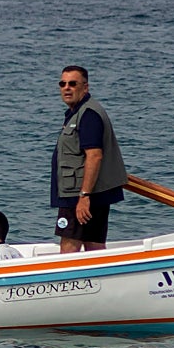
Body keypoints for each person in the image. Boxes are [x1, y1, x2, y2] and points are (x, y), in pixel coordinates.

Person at [51, 65, 127, 253]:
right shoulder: (79, 112)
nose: (66, 88)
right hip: (93, 192)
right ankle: (102, 280)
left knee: (69, 245)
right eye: (63, 84)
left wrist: (84, 197)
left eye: (72, 84)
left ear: (85, 87)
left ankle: (67, 282)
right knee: (94, 244)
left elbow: (94, 155)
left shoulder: (88, 115)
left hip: (78, 194)